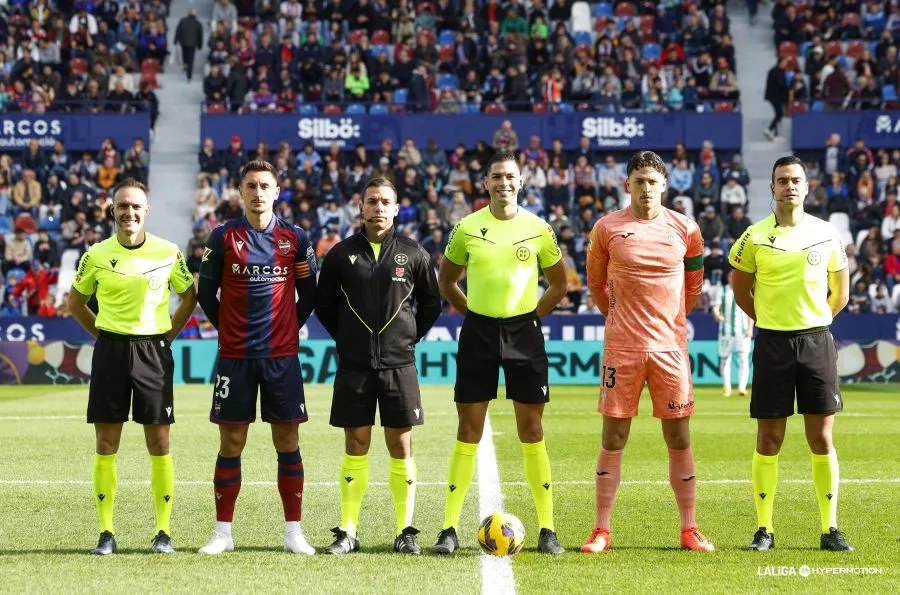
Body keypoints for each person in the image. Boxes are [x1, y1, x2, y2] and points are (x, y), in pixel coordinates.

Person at [432, 151, 568, 555]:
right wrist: (472, 314)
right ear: (486, 182)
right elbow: (447, 281)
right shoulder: (467, 227)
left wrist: (531, 319)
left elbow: (559, 285)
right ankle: (449, 529)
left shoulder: (539, 228)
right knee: (468, 431)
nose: (503, 182)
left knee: (532, 431)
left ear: (521, 181)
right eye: (496, 176)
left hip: (524, 333)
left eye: (510, 176)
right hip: (479, 333)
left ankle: (548, 529)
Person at [583, 151, 714, 554]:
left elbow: (693, 287)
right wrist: (621, 320)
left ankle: (689, 529)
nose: (645, 188)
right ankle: (601, 530)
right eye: (638, 181)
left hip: (670, 349)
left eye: (652, 182)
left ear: (664, 185)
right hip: (622, 348)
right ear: (627, 185)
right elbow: (596, 284)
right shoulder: (607, 228)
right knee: (614, 435)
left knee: (678, 436)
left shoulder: (686, 229)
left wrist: (668, 322)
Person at [729, 156, 854, 552]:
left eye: (796, 179)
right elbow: (738, 287)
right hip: (772, 343)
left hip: (817, 341)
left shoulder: (826, 232)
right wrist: (766, 319)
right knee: (769, 438)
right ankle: (764, 530)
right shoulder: (753, 236)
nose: (790, 186)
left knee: (821, 438)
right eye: (782, 180)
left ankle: (830, 529)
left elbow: (841, 291)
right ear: (772, 188)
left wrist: (816, 321)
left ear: (807, 185)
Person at [67, 179, 198, 555]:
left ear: (147, 211)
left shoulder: (168, 252)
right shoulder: (95, 255)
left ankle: (163, 533)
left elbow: (189, 295)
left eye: (136, 207)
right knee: (106, 443)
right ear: (113, 211)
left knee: (159, 443)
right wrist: (103, 335)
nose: (130, 213)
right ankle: (106, 532)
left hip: (153, 353)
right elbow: (76, 302)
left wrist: (167, 335)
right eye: (123, 206)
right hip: (110, 352)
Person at [315, 176, 442, 555]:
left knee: (400, 444)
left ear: (397, 207)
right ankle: (348, 531)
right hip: (354, 366)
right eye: (372, 201)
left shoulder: (414, 253)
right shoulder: (340, 254)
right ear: (361, 206)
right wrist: (348, 339)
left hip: (398, 365)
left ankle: (405, 531)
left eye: (386, 201)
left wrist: (407, 338)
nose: (379, 207)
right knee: (355, 444)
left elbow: (431, 305)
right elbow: (324, 305)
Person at [196, 160, 318, 555]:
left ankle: (294, 533)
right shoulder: (222, 236)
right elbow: (205, 292)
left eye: (265, 185)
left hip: (281, 357)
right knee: (231, 441)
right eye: (251, 185)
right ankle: (223, 534)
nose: (258, 192)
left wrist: (286, 327)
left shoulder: (295, 238)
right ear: (240, 191)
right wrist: (229, 330)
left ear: (277, 191)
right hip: (235, 356)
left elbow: (309, 293)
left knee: (287, 439)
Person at [710, 270, 753, 396]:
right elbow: (715, 307)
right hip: (726, 331)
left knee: (743, 359)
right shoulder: (722, 291)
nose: (732, 278)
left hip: (743, 331)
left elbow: (750, 310)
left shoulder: (745, 289)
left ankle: (742, 387)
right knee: (725, 359)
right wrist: (717, 314)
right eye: (730, 276)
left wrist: (750, 328)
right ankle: (727, 387)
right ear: (728, 278)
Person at [174, 8, 204, 83]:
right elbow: (200, 35)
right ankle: (189, 76)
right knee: (191, 60)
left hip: (183, 42)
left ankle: (185, 68)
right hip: (192, 44)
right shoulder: (198, 23)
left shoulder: (183, 21)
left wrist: (176, 40)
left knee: (185, 57)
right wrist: (200, 45)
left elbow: (178, 31)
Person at [764, 57, 789, 141]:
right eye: (785, 62)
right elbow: (781, 84)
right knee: (779, 114)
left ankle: (775, 134)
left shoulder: (775, 70)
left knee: (779, 114)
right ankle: (769, 129)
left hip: (774, 96)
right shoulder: (777, 71)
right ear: (780, 62)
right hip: (775, 96)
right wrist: (788, 91)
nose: (786, 64)